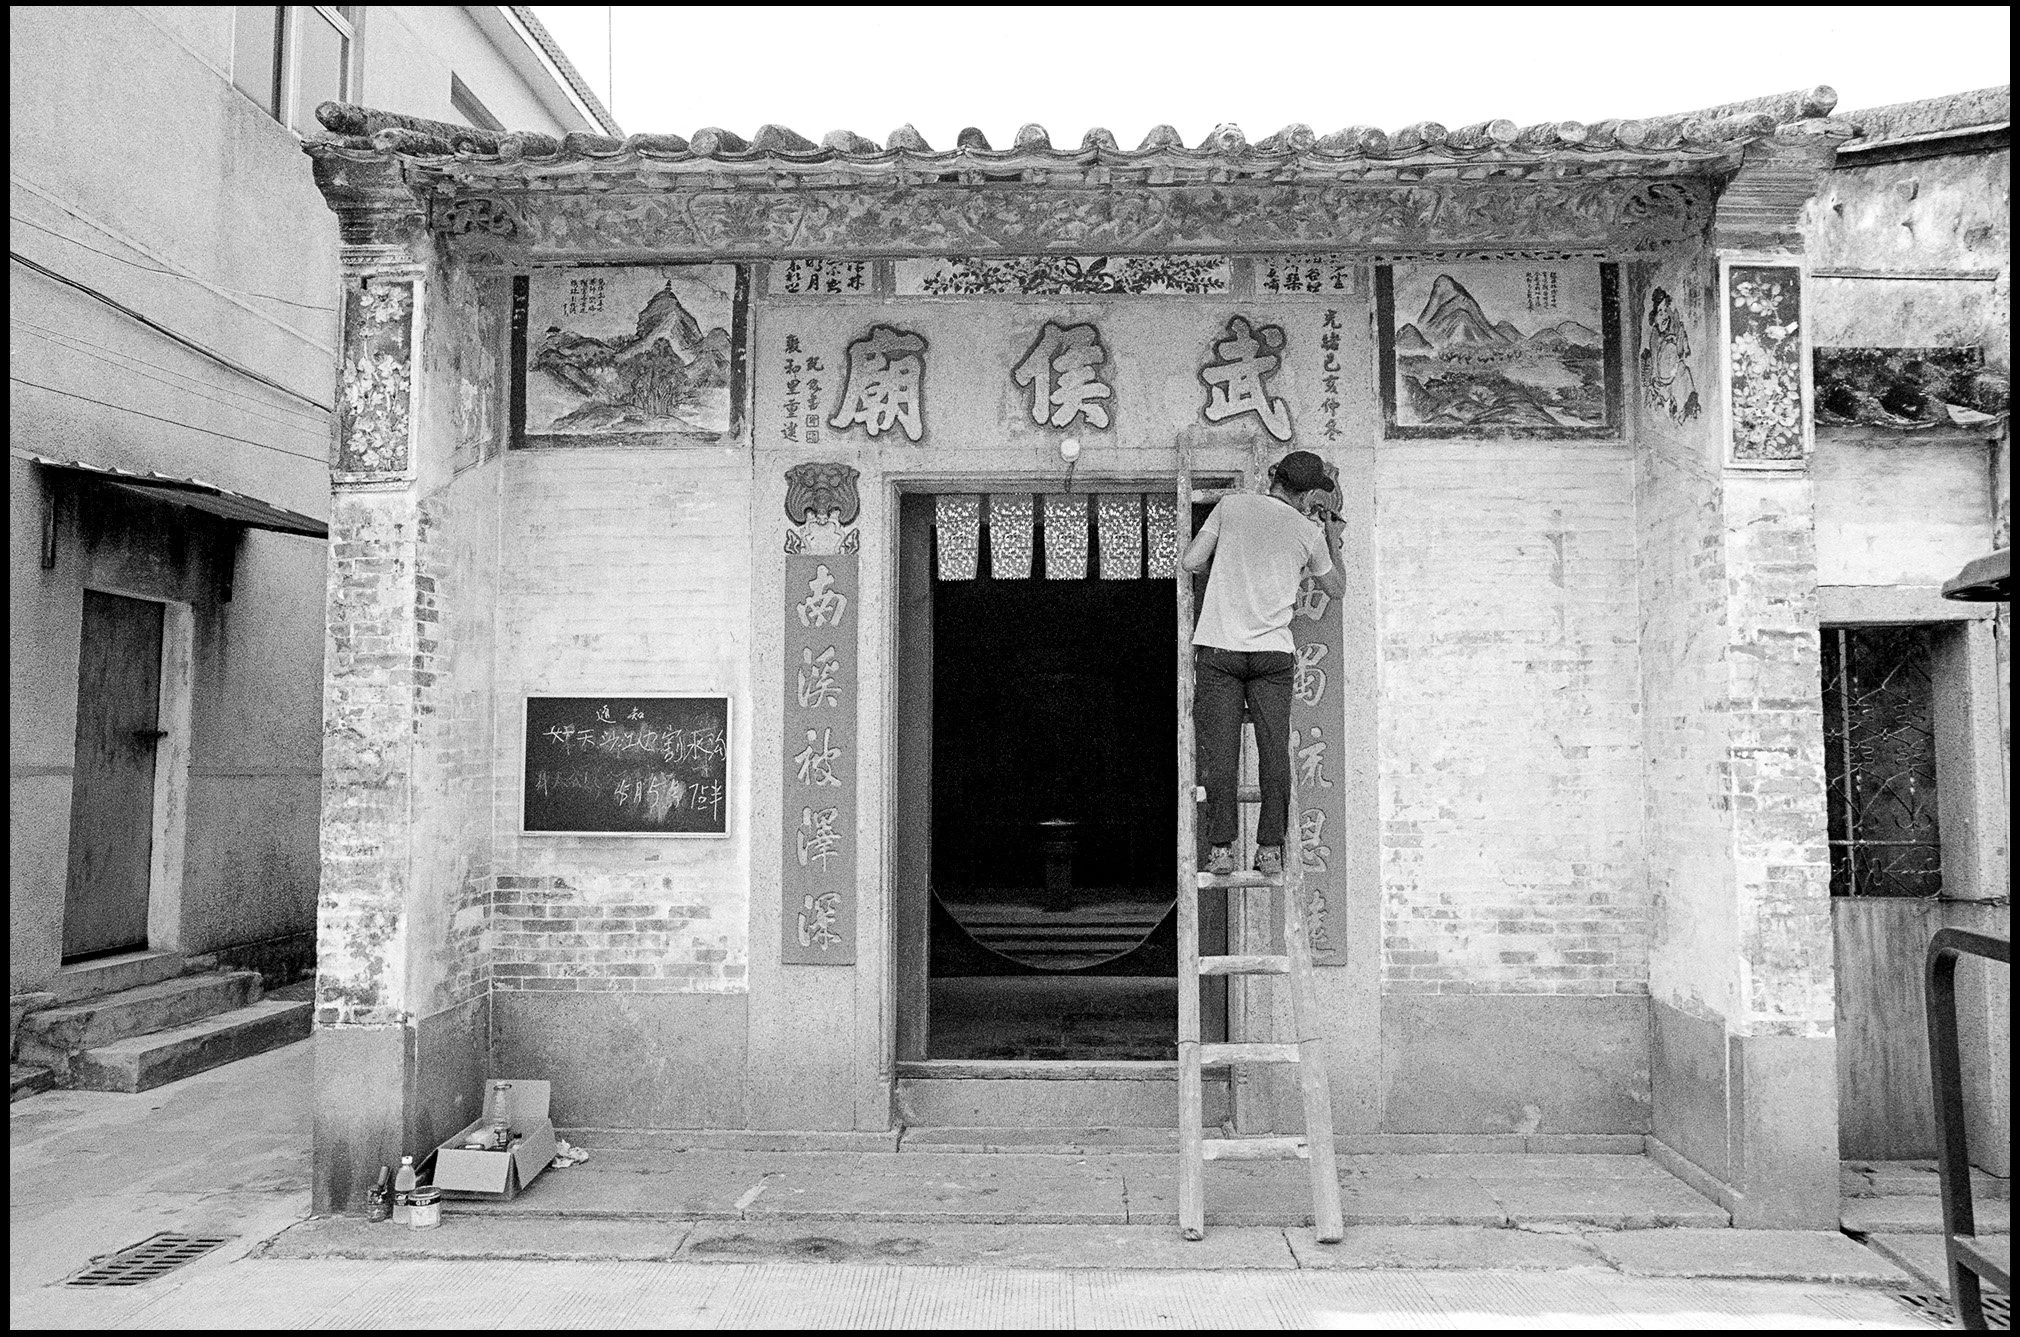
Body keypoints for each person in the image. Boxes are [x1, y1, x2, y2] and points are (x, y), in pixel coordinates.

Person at [1180, 450, 1346, 877]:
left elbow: (1192, 561)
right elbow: (1336, 588)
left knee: (1221, 752)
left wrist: (1233, 563)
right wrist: (1329, 539)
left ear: (1275, 477)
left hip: (1220, 650)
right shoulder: (1307, 532)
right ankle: (1269, 848)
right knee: (1274, 752)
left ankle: (1221, 849)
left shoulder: (1231, 506)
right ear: (1308, 494)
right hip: (1273, 655)